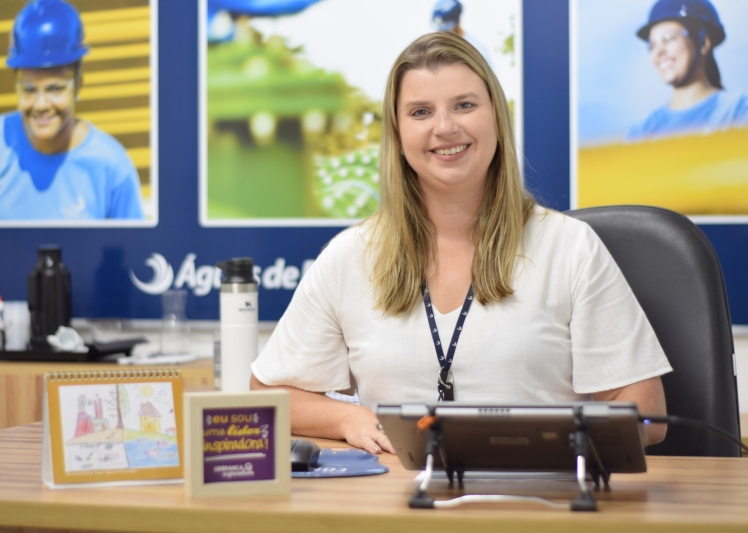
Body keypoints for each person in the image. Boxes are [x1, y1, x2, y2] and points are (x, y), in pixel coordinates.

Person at [251, 32, 672, 454]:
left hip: (539, 503)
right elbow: (268, 394)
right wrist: (349, 417)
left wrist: (542, 444)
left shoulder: (571, 247)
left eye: (464, 105)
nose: (445, 127)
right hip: (398, 508)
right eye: (420, 112)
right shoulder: (351, 255)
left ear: (496, 118)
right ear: (397, 134)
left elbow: (647, 416)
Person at [0, 0, 144, 221]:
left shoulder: (111, 167)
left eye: (55, 89)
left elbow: (134, 252)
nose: (41, 105)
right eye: (28, 90)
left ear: (78, 84)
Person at [627, 0, 748, 142]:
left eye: (669, 38)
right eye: (652, 46)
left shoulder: (745, 113)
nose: (658, 52)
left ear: (703, 42)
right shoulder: (641, 132)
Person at [430, 0, 493, 69]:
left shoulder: (476, 49)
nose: (443, 33)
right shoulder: (436, 47)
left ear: (457, 23)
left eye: (447, 28)